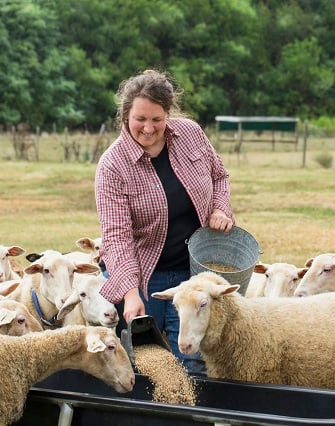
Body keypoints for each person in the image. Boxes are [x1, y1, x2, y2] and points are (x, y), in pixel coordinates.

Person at [94, 69, 233, 374]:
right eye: (140, 119)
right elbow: (117, 238)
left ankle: (195, 420)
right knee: (147, 364)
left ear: (168, 114)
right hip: (145, 277)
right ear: (125, 115)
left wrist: (220, 209)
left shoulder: (191, 135)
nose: (148, 128)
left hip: (193, 274)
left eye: (157, 119)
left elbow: (219, 176)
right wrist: (130, 294)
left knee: (194, 360)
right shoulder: (113, 166)